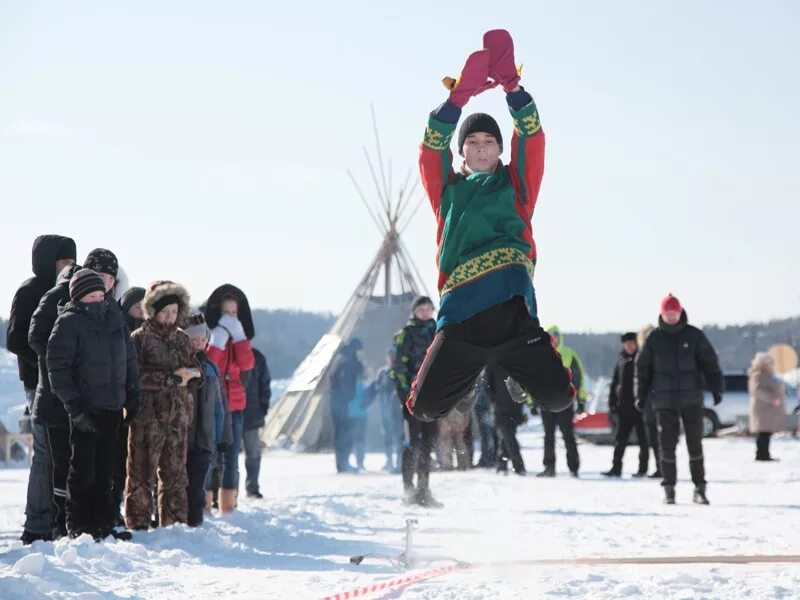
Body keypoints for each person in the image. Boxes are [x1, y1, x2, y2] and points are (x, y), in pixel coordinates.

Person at [407, 29, 574, 431]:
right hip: (461, 318)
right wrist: (456, 100)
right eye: (473, 142)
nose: (481, 148)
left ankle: (518, 372)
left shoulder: (516, 185)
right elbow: (430, 150)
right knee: (425, 408)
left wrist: (512, 89)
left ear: (500, 149)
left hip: (513, 314)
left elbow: (531, 137)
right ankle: (464, 379)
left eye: (489, 141)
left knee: (559, 399)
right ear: (461, 150)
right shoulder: (447, 191)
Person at [47, 269, 139, 539]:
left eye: (101, 294)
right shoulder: (68, 323)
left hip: (113, 406)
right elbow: (58, 368)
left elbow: (129, 361)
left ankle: (104, 522)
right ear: (78, 297)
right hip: (86, 408)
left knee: (108, 469)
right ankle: (78, 526)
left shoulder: (115, 319)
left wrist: (133, 395)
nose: (98, 299)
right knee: (83, 469)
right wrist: (74, 407)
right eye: (91, 295)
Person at [7, 234, 76, 544]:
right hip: (37, 383)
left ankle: (59, 519)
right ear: (49, 261)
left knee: (64, 453)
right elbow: (15, 339)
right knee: (45, 453)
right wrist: (45, 362)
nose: (70, 266)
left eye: (73, 260)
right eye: (65, 260)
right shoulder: (30, 291)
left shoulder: (71, 288)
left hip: (67, 384)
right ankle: (37, 523)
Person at [125, 280, 201, 529]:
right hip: (148, 417)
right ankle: (139, 525)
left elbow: (196, 370)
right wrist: (170, 378)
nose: (170, 318)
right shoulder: (139, 339)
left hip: (177, 418)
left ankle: (175, 526)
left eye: (174, 312)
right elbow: (132, 376)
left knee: (176, 476)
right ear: (153, 311)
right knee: (140, 474)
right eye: (164, 312)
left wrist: (193, 376)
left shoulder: (183, 340)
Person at [636, 294, 723, 505]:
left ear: (680, 312)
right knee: (666, 446)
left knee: (695, 445)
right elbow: (643, 370)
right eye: (667, 314)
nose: (671, 317)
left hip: (691, 400)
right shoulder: (654, 338)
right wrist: (641, 395)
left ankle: (699, 488)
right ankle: (669, 488)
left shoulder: (694, 336)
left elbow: (710, 363)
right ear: (662, 314)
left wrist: (716, 388)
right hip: (664, 402)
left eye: (674, 313)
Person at [28, 263, 81, 539]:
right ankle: (51, 524)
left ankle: (65, 523)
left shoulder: (88, 299)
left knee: (69, 463)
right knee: (55, 463)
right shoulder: (53, 297)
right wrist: (61, 359)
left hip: (73, 397)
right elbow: (34, 338)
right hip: (53, 397)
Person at [204, 284, 256, 514]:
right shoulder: (212, 335)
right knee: (210, 456)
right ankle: (204, 504)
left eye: (234, 314)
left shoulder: (240, 339)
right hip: (213, 404)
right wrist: (219, 339)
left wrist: (238, 337)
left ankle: (228, 506)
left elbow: (247, 364)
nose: (230, 318)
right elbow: (209, 363)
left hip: (234, 405)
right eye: (226, 313)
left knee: (231, 458)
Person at [392, 296, 440, 506]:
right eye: (421, 309)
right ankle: (408, 489)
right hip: (411, 397)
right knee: (412, 444)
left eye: (428, 309)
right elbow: (398, 367)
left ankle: (424, 490)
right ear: (415, 311)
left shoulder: (439, 332)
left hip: (433, 397)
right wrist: (405, 395)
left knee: (428, 444)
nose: (425, 312)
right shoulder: (407, 333)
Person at [183, 313, 228, 526]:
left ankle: (196, 523)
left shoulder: (211, 368)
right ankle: (179, 524)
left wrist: (221, 436)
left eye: (202, 339)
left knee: (198, 486)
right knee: (182, 484)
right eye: (194, 340)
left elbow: (219, 406)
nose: (199, 344)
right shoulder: (180, 366)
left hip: (205, 438)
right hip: (182, 438)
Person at [537, 326, 585, 478]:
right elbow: (534, 380)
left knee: (568, 435)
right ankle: (549, 468)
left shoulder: (569, 354)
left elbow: (578, 378)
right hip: (546, 403)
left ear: (559, 338)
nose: (554, 339)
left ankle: (574, 467)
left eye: (556, 336)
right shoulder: (541, 355)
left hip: (565, 402)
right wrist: (532, 403)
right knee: (548, 436)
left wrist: (580, 400)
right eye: (550, 336)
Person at [603, 333, 649, 478]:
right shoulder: (621, 361)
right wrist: (612, 403)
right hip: (623, 408)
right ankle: (616, 468)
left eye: (632, 343)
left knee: (643, 440)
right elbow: (614, 383)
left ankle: (642, 469)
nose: (630, 346)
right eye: (627, 343)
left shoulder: (642, 360)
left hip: (640, 408)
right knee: (620, 440)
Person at [483, 364, 526, 475]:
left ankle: (502, 464)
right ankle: (518, 465)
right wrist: (494, 399)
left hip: (514, 405)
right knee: (508, 435)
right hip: (501, 406)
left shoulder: (516, 359)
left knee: (507, 436)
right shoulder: (493, 362)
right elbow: (487, 383)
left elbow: (525, 380)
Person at [364, 353, 403, 473]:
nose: (391, 359)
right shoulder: (383, 372)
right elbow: (375, 387)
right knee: (387, 436)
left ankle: (400, 462)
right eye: (389, 357)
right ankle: (389, 460)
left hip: (397, 410)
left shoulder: (399, 371)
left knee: (398, 436)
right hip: (385, 409)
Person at [329, 338, 363, 473]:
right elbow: (344, 381)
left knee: (342, 433)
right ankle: (343, 464)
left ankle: (343, 463)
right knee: (343, 433)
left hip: (339, 400)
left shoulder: (343, 358)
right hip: (341, 401)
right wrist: (348, 397)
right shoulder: (347, 361)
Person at [243, 347, 271, 497]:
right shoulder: (226, 352)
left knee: (253, 453)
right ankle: (226, 490)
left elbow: (265, 384)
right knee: (226, 456)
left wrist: (263, 407)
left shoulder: (257, 357)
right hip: (232, 412)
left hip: (252, 414)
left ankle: (252, 487)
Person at [748, 352, 786, 461]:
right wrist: (772, 398)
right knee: (763, 433)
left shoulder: (768, 375)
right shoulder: (758, 375)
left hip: (768, 409)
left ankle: (764, 454)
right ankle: (761, 455)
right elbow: (757, 390)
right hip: (762, 409)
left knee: (766, 432)